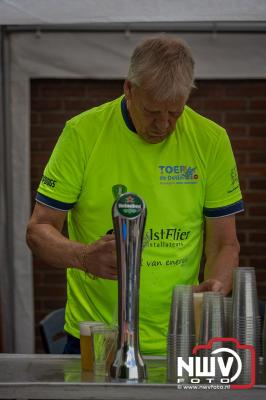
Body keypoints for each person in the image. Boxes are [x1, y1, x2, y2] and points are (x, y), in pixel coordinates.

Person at [26, 35, 243, 355]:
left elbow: (224, 243)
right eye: (153, 111)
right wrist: (83, 256)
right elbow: (38, 230)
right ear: (129, 89)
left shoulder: (211, 140)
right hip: (100, 339)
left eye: (175, 112)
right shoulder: (82, 133)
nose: (164, 125)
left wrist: (215, 288)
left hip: (181, 340)